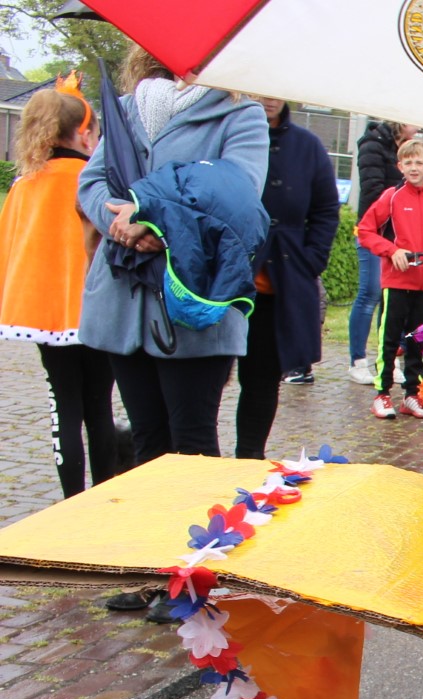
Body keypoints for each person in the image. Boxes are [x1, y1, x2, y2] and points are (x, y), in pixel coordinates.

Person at [78, 47, 266, 465]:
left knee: (193, 442)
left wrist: (155, 222)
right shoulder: (127, 108)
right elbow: (91, 182)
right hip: (124, 299)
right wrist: (123, 225)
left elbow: (237, 191)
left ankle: (202, 513)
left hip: (193, 296)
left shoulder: (240, 114)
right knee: (146, 439)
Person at [0, 80, 118, 499]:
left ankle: (71, 502)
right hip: (98, 308)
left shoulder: (24, 186)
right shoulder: (96, 181)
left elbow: (9, 250)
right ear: (85, 135)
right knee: (100, 407)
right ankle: (103, 497)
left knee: (64, 407)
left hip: (46, 315)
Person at [235, 96, 337, 463]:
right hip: (226, 285)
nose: (268, 98)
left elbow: (326, 209)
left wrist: (311, 260)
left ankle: (249, 458)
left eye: (274, 90)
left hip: (277, 286)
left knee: (261, 380)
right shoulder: (229, 134)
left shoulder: (307, 146)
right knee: (206, 380)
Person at [355, 138, 423, 420]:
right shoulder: (392, 196)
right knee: (389, 338)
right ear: (400, 166)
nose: (413, 167)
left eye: (419, 162)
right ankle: (382, 393)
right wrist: (392, 250)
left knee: (417, 340)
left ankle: (412, 393)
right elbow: (366, 230)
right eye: (408, 162)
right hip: (397, 280)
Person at [347, 118, 417, 385]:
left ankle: (387, 361)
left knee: (392, 301)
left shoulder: (408, 147)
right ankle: (357, 361)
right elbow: (372, 189)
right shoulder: (373, 144)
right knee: (370, 293)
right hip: (376, 231)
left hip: (399, 235)